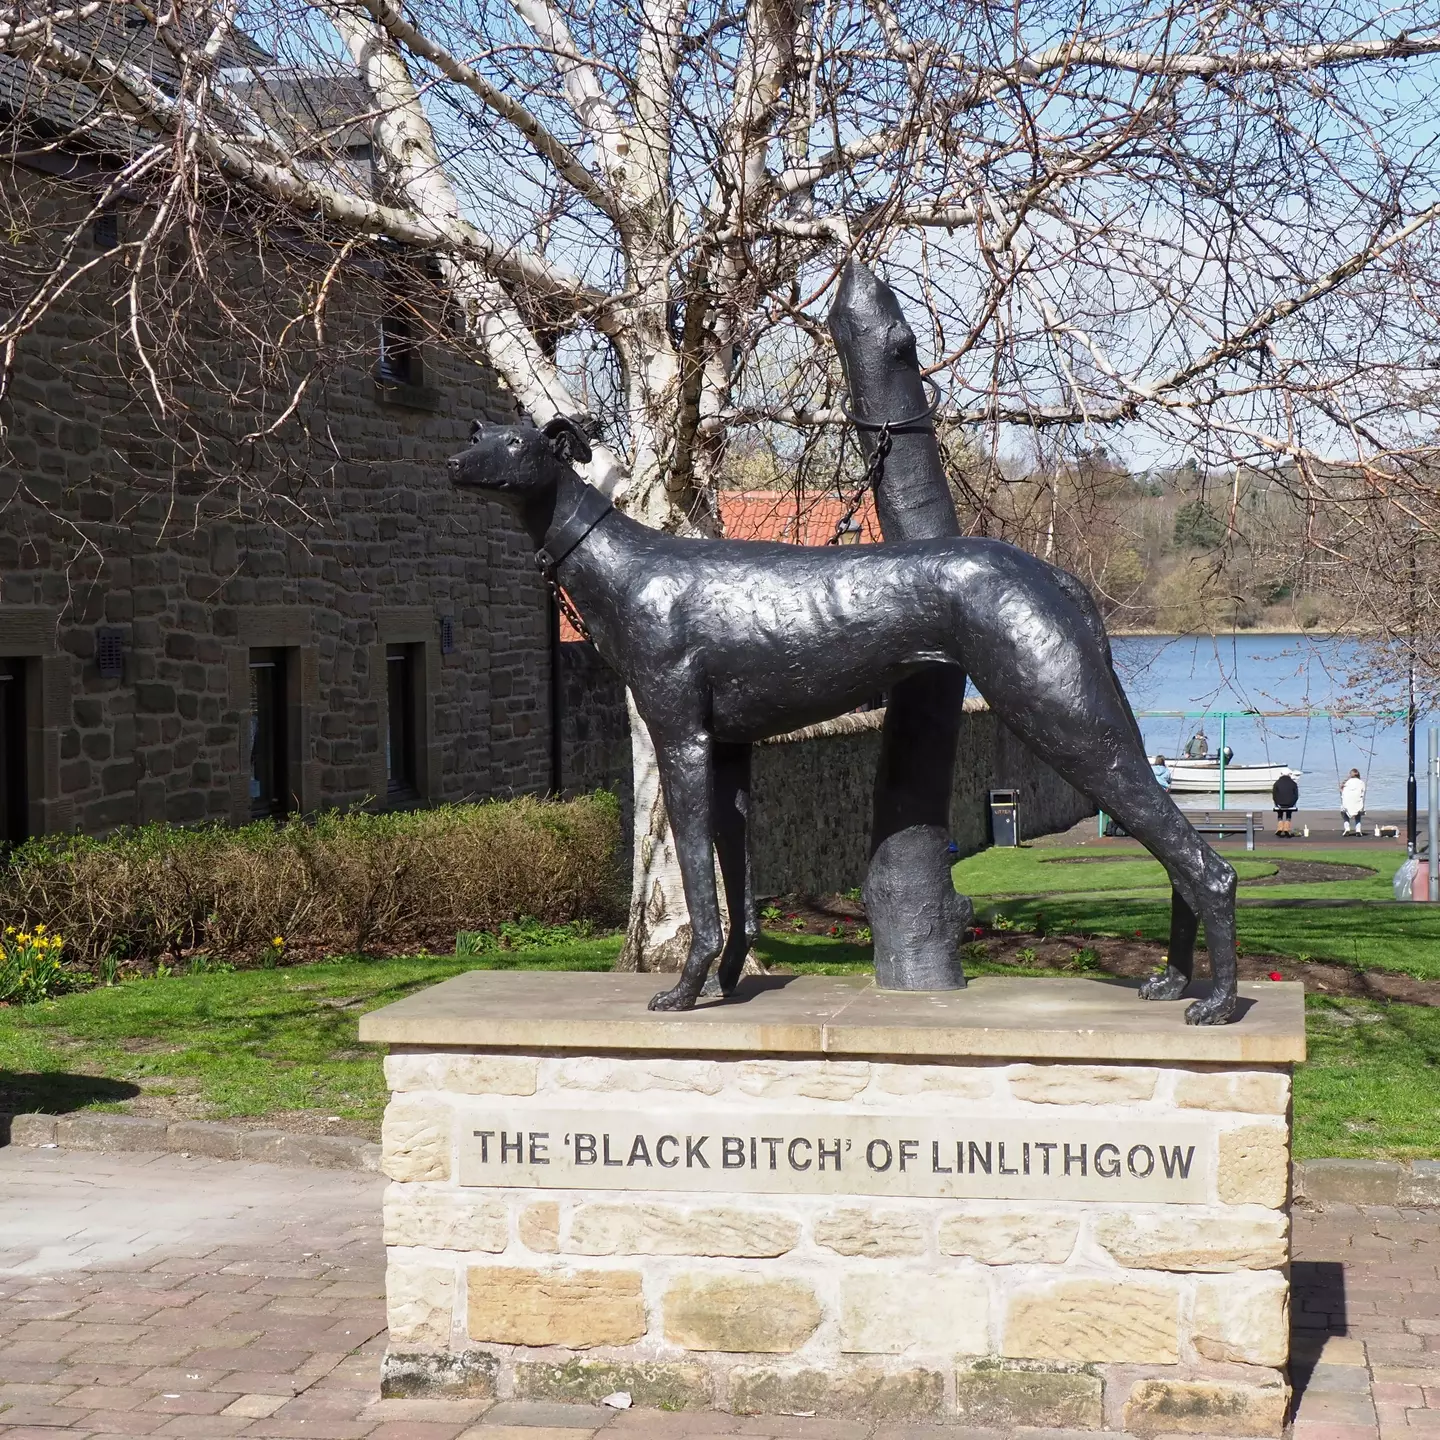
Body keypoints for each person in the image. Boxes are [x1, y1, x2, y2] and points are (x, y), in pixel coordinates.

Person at [1272, 771, 1299, 837]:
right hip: (1290, 803)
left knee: (1279, 812)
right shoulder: (1293, 783)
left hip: (1279, 803)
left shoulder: (1276, 783)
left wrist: (1276, 803)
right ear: (1289, 775)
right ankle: (1287, 828)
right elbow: (1296, 796)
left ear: (1281, 774)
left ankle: (1280, 827)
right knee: (1289, 813)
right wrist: (1293, 803)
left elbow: (1274, 795)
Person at [1340, 768, 1366, 836]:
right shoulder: (1361, 782)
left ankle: (1347, 828)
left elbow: (1342, 791)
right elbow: (1362, 792)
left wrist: (1342, 786)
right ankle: (1358, 830)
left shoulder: (1346, 782)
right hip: (1357, 802)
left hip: (1347, 802)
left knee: (1345, 813)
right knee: (1358, 813)